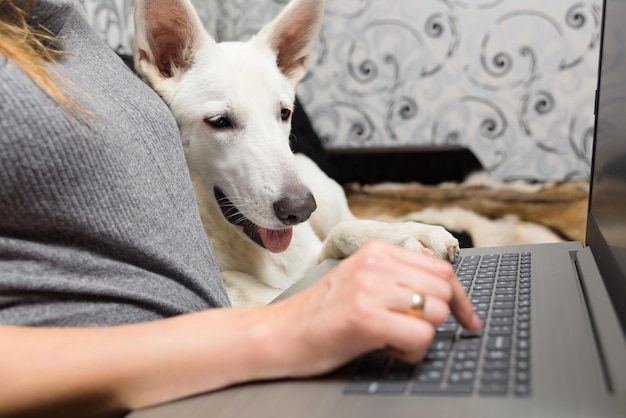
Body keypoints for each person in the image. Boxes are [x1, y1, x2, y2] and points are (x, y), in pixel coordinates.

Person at [0, 0, 481, 416]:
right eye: (221, 121)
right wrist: (275, 333)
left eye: (283, 114)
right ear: (161, 62)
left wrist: (351, 237)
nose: (293, 200)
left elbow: (309, 262)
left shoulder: (61, 25)